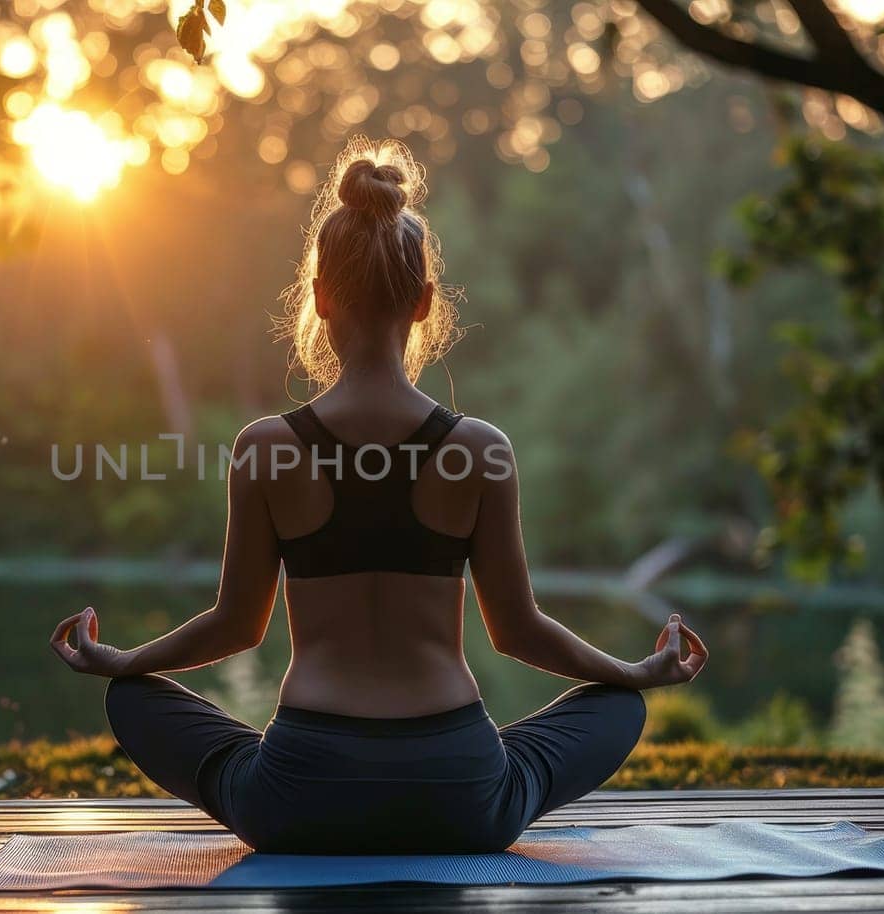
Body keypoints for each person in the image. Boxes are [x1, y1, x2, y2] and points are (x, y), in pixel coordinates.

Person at [51, 137, 707, 855]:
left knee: (133, 699)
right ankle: (512, 766)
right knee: (616, 707)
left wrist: (121, 660)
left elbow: (235, 627)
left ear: (322, 298)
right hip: (458, 795)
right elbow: (517, 632)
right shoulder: (481, 450)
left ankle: (251, 767)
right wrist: (638, 672)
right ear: (424, 304)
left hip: (300, 798)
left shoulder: (264, 448)